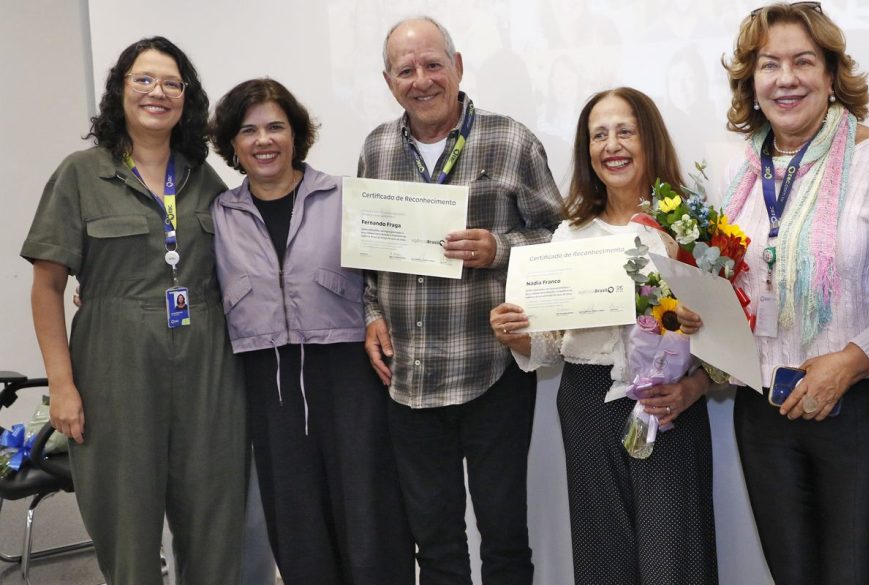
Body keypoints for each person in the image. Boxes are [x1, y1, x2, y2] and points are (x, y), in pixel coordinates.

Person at [23, 37, 246, 584]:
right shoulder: (80, 173)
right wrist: (63, 386)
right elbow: (48, 288)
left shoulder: (203, 176)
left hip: (207, 360)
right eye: (143, 79)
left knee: (215, 516)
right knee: (126, 520)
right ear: (120, 90)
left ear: (185, 99)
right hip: (114, 360)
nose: (157, 92)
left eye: (171, 83)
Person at [360, 16, 563, 585]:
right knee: (437, 545)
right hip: (409, 383)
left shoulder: (512, 140)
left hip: (490, 374)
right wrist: (372, 315)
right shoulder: (375, 150)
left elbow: (562, 239)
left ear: (458, 67)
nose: (421, 80)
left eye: (432, 64)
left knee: (503, 539)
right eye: (406, 70)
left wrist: (499, 247)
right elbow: (368, 262)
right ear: (388, 80)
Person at [490, 87, 718, 585]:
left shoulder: (688, 228)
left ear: (649, 140)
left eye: (625, 131)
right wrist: (519, 337)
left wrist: (690, 388)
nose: (612, 145)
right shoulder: (570, 235)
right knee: (603, 556)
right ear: (587, 150)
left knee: (672, 558)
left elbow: (724, 344)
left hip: (666, 405)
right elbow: (551, 343)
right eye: (599, 135)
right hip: (586, 401)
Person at [715, 3, 869, 583]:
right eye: (769, 65)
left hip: (859, 407)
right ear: (751, 80)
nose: (786, 79)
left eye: (803, 61)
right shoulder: (741, 174)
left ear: (830, 73)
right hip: (764, 410)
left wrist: (852, 361)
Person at [209, 78, 415, 585]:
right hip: (267, 380)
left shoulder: (345, 196)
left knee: (368, 513)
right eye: (249, 130)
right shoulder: (218, 216)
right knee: (296, 520)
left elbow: (391, 277)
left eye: (276, 126)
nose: (264, 140)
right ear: (232, 144)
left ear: (296, 134)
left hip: (347, 376)